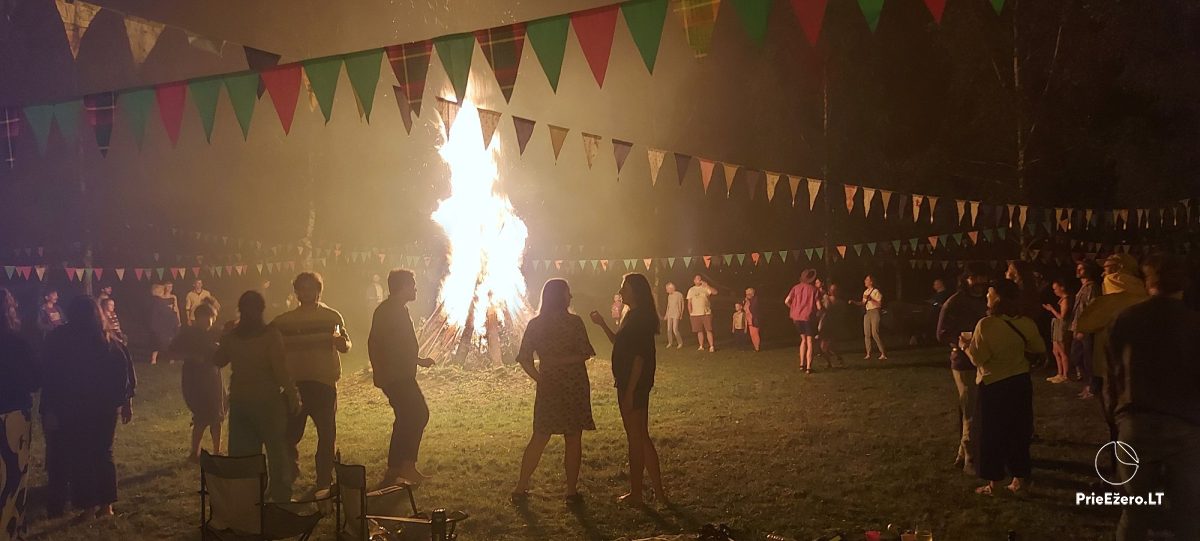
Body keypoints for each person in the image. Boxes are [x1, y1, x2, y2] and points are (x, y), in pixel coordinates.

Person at [1106, 254, 1200, 541]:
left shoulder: (1125, 318)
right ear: (1184, 283)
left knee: (1134, 511)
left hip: (1136, 420)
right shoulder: (1193, 322)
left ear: (1148, 282)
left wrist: (1115, 418)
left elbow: (1113, 374)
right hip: (1185, 423)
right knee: (1188, 512)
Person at [41, 296, 135, 518]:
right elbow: (125, 373)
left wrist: (50, 408)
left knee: (81, 455)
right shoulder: (108, 340)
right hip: (104, 407)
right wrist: (125, 401)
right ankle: (106, 505)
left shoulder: (62, 339)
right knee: (103, 453)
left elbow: (51, 375)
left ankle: (88, 505)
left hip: (74, 406)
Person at [511, 279, 597, 505]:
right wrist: (565, 361)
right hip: (574, 385)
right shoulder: (574, 323)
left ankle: (520, 487)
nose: (571, 297)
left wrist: (540, 378)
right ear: (560, 297)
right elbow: (585, 352)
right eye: (568, 293)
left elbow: (524, 358)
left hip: (549, 387)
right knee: (573, 437)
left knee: (540, 436)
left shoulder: (535, 324)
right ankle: (571, 491)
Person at [213, 291, 299, 502]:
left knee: (245, 455)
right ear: (262, 310)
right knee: (276, 451)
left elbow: (218, 360)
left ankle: (249, 496)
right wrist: (292, 393)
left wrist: (224, 337)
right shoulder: (270, 335)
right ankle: (280, 494)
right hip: (268, 401)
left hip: (242, 401)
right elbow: (280, 369)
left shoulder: (234, 336)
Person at [589, 274, 667, 505]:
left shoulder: (640, 318)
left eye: (625, 287)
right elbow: (620, 343)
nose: (621, 291)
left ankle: (637, 494)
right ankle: (658, 493)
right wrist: (602, 324)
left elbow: (640, 358)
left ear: (636, 291)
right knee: (641, 435)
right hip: (629, 382)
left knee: (635, 437)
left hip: (634, 383)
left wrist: (630, 391)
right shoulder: (631, 315)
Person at [962, 279, 1044, 496]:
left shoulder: (986, 325)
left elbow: (978, 358)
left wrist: (964, 346)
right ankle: (1019, 479)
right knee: (1018, 431)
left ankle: (994, 483)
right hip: (1020, 383)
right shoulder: (1026, 323)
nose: (986, 297)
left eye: (989, 294)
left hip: (994, 384)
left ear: (997, 298)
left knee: (991, 434)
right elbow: (1038, 347)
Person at [272, 272, 351, 494]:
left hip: (323, 384)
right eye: (302, 288)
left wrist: (341, 343)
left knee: (326, 436)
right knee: (288, 436)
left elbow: (345, 344)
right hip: (295, 387)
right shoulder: (283, 322)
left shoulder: (331, 317)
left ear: (319, 291)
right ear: (296, 292)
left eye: (311, 288)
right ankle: (290, 472)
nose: (306, 292)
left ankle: (324, 481)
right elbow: (268, 345)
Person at [1076, 253, 1148, 473]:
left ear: (1119, 270)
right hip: (1142, 368)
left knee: (1117, 424)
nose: (1102, 274)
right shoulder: (1146, 295)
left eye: (1107, 268)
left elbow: (1084, 323)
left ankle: (1122, 474)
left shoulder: (1111, 298)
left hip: (1110, 369)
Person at [368, 269, 435, 487]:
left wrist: (418, 360)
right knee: (419, 414)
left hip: (400, 373)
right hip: (395, 375)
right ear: (403, 287)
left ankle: (395, 467)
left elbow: (399, 345)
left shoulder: (397, 309)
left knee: (405, 417)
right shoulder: (388, 311)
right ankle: (407, 466)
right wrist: (381, 371)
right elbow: (379, 344)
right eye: (412, 285)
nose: (415, 289)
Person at [937, 263, 990, 474]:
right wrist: (960, 343)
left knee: (976, 408)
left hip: (985, 360)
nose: (979, 282)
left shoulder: (987, 300)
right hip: (964, 362)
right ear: (966, 279)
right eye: (975, 277)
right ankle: (970, 458)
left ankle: (962, 455)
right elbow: (942, 333)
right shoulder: (954, 303)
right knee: (971, 410)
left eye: (982, 277)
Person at [0, 288, 38, 539]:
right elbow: (35, 379)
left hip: (12, 413)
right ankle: (9, 531)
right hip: (13, 417)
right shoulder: (17, 343)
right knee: (13, 479)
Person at [168, 303, 224, 462]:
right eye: (208, 317)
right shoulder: (188, 334)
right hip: (195, 379)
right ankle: (195, 452)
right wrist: (191, 356)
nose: (210, 321)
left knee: (217, 415)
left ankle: (217, 450)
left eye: (212, 317)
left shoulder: (214, 333)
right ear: (199, 317)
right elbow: (172, 351)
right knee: (201, 416)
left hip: (213, 376)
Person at [1070, 260, 1102, 399]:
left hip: (1087, 329)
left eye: (1081, 269)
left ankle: (1092, 387)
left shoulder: (1092, 287)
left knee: (1088, 360)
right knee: (1076, 357)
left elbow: (1093, 308)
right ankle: (1088, 385)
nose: (1078, 271)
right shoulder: (1083, 287)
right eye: (1078, 268)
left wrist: (1085, 328)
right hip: (1079, 327)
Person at [785, 270, 821, 373]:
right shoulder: (814, 290)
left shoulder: (795, 288)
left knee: (803, 340)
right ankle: (809, 367)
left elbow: (786, 301)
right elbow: (819, 306)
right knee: (810, 341)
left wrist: (793, 308)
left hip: (796, 318)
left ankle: (802, 364)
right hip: (808, 317)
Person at [1042, 280, 1072, 384]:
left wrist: (1052, 310)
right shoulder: (1062, 300)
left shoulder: (1066, 300)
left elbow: (1062, 318)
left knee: (1063, 352)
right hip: (1057, 327)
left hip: (1062, 327)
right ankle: (1060, 373)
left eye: (1055, 289)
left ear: (1062, 287)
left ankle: (1065, 375)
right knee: (1056, 351)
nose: (1054, 291)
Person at [853, 275, 888, 360]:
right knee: (867, 333)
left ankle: (883, 353)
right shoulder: (865, 292)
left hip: (875, 311)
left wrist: (871, 299)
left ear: (871, 282)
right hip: (867, 312)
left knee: (875, 333)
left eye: (867, 280)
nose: (865, 281)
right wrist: (854, 302)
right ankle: (868, 353)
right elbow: (863, 303)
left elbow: (879, 304)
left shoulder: (876, 291)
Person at [149, 283, 180, 365]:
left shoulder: (154, 301)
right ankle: (157, 359)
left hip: (159, 325)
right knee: (165, 342)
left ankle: (159, 359)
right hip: (162, 326)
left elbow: (174, 310)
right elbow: (167, 313)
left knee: (159, 342)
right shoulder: (159, 302)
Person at [817, 282, 845, 367]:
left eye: (835, 289)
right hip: (824, 324)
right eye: (831, 289)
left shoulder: (839, 302)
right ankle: (832, 361)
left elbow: (828, 308)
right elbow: (820, 308)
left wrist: (825, 297)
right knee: (825, 346)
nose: (833, 291)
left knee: (827, 345)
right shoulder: (826, 298)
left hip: (832, 325)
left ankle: (835, 359)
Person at [687, 275, 717, 352]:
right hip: (695, 314)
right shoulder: (691, 290)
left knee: (708, 330)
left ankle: (711, 346)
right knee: (699, 331)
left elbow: (715, 292)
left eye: (700, 279)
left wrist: (707, 286)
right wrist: (690, 313)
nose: (699, 280)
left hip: (706, 313)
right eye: (697, 279)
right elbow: (689, 302)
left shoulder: (705, 288)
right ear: (694, 280)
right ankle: (701, 346)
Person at [662, 283, 685, 349]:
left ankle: (680, 343)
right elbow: (668, 306)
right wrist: (666, 314)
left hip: (676, 313)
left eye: (667, 289)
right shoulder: (669, 296)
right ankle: (670, 342)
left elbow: (682, 305)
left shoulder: (679, 295)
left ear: (671, 288)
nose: (666, 291)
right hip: (670, 314)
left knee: (675, 329)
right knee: (669, 329)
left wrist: (681, 314)